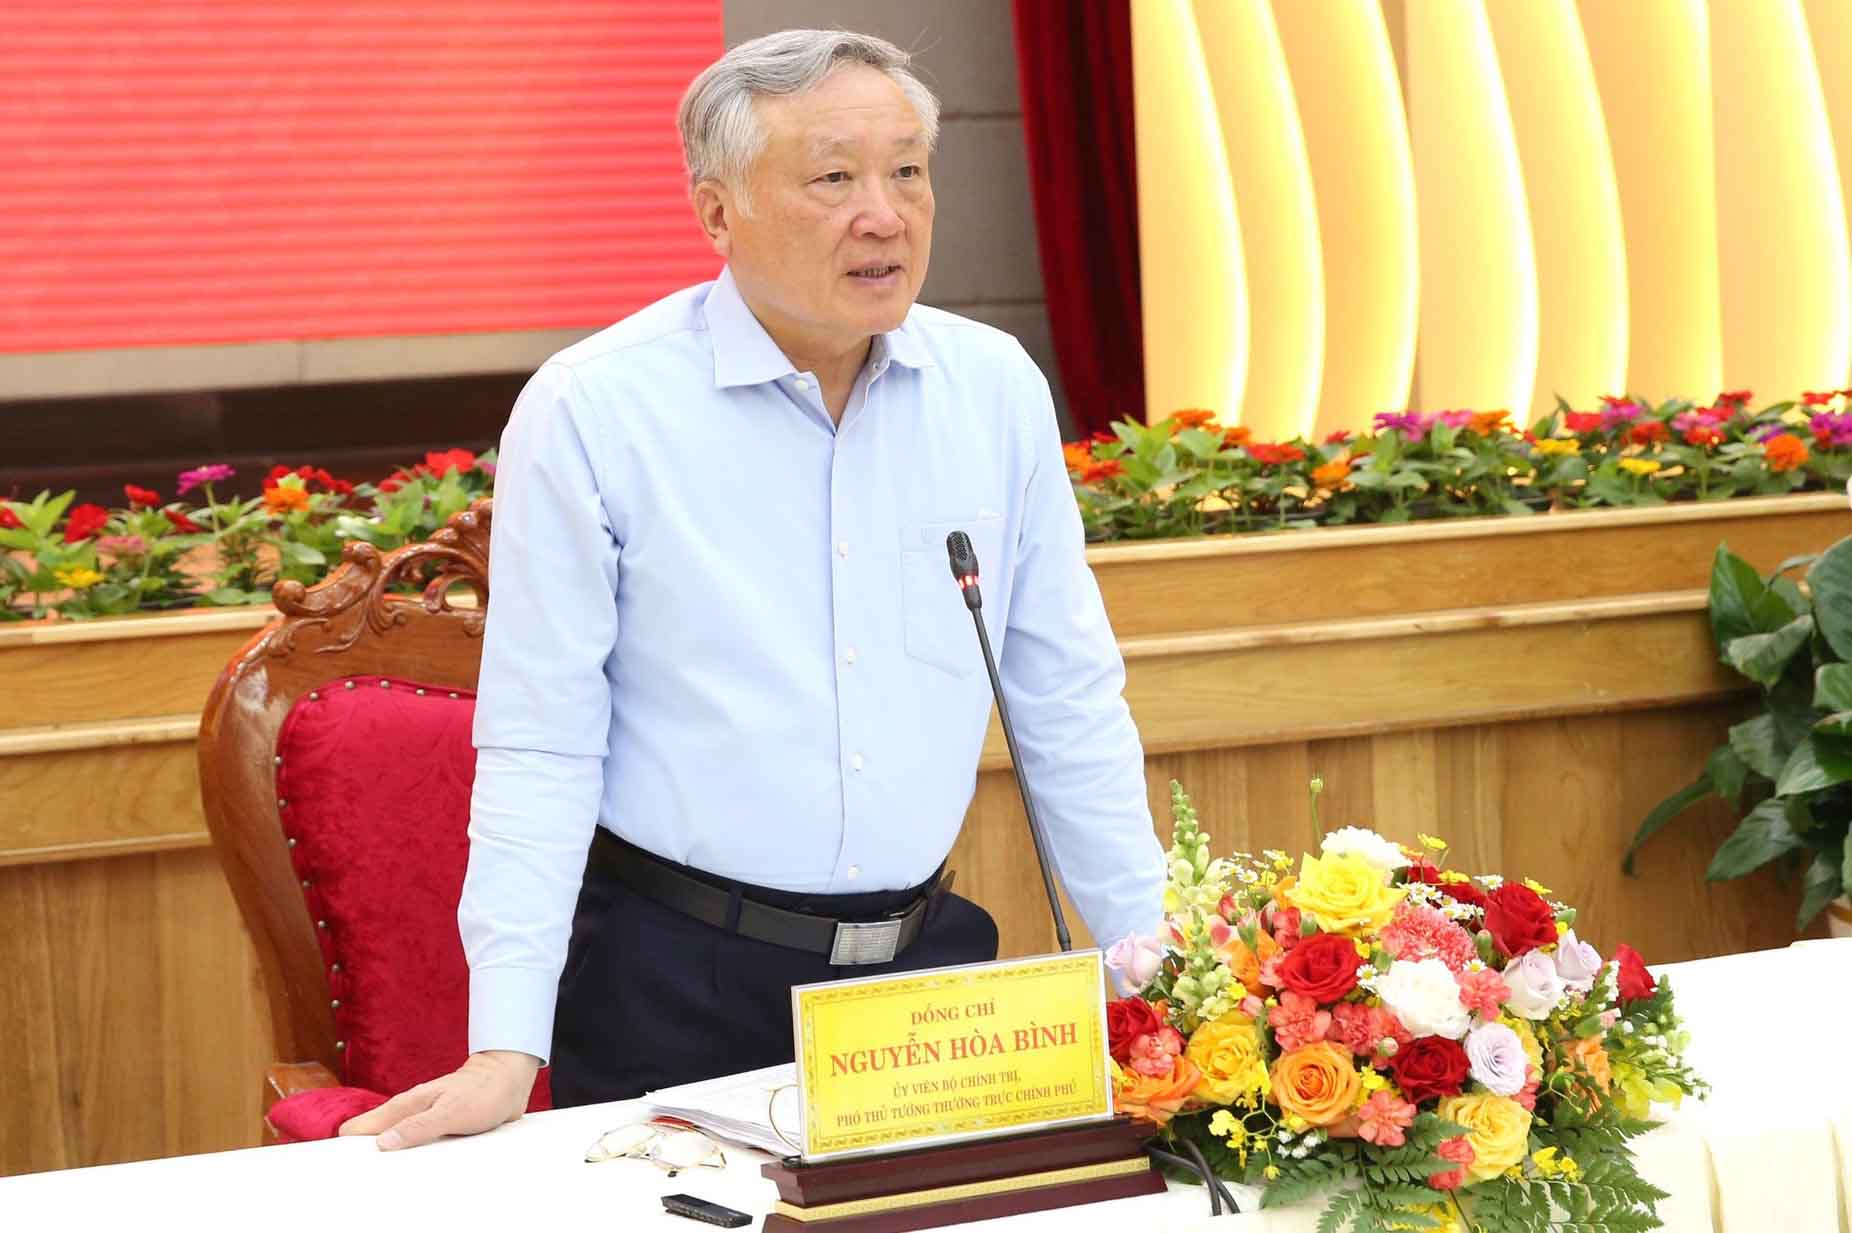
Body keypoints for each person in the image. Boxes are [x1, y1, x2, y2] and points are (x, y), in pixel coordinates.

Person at [342, 28, 1163, 1151]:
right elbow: (542, 740)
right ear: (716, 212)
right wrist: (505, 1046)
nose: (884, 213)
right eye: (833, 177)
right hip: (676, 983)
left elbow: (1065, 700)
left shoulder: (993, 390)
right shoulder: (597, 409)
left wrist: (1149, 967)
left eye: (908, 169)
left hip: (932, 989)